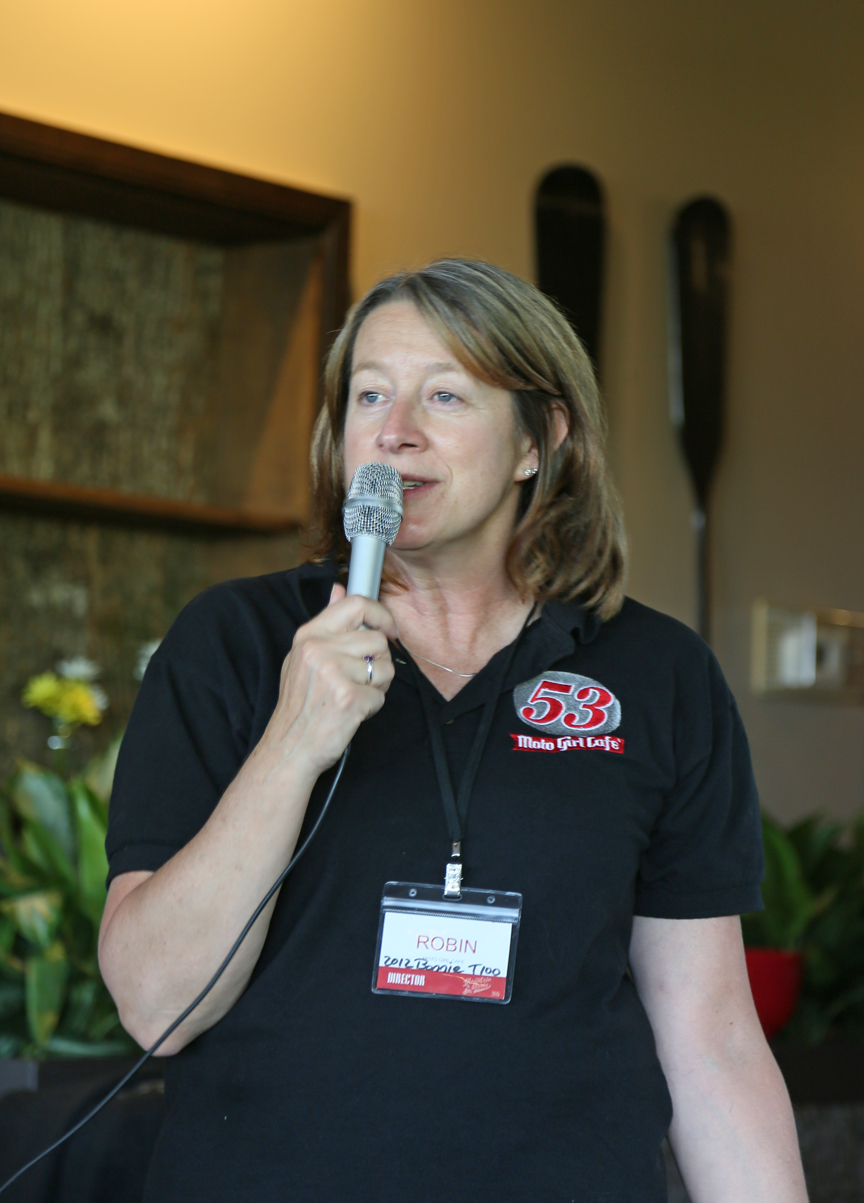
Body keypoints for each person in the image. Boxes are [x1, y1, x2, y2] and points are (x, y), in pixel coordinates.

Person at [99, 259, 808, 1202]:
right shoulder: (233, 643)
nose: (394, 429)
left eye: (444, 394)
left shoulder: (658, 673)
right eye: (369, 395)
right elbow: (157, 1006)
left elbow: (711, 1039)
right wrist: (294, 740)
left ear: (537, 441)